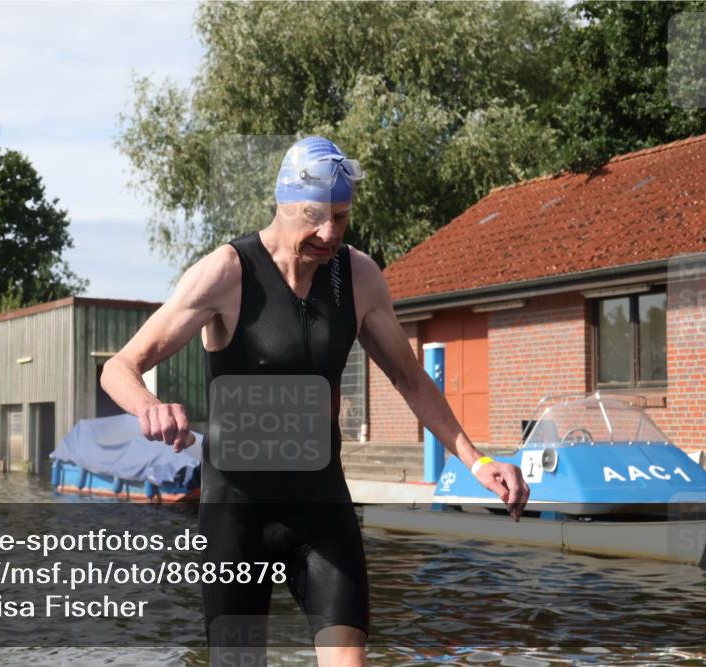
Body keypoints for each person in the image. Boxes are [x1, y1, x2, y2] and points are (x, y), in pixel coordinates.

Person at [101, 136, 530, 666]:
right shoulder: (228, 273)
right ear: (282, 202)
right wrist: (148, 404)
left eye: (342, 218)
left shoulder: (359, 276)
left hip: (320, 506)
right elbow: (119, 366)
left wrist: (477, 459)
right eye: (315, 217)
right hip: (237, 513)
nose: (329, 234)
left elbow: (411, 378)